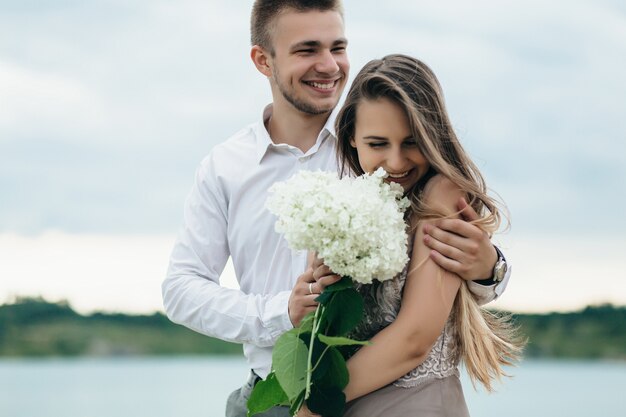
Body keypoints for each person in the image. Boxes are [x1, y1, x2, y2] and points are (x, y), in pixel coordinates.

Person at [161, 2, 511, 416]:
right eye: (307, 50)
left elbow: (442, 269)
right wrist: (281, 312)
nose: (328, 66)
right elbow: (180, 290)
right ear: (263, 60)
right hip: (270, 393)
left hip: (372, 396)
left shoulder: (376, 142)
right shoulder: (225, 167)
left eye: (337, 47)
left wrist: (491, 269)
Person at [297, 54, 523, 417]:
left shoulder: (443, 195)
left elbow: (414, 339)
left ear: (434, 136)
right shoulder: (343, 205)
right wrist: (304, 302)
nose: (397, 162)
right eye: (378, 144)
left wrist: (315, 405)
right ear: (351, 137)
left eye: (412, 142)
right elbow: (328, 330)